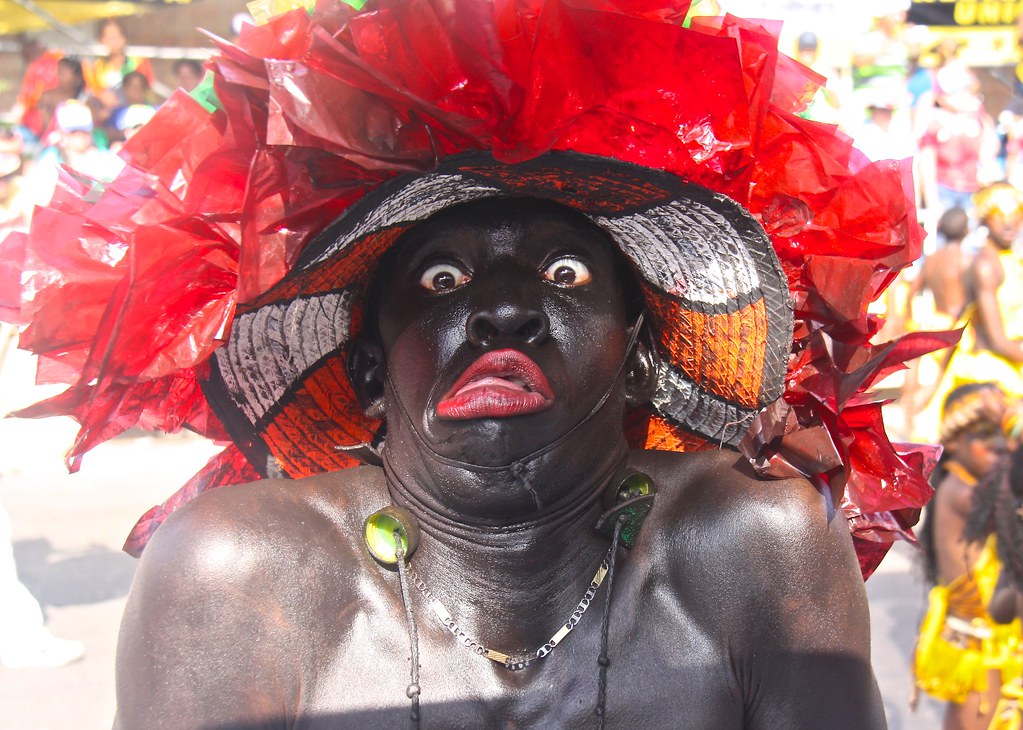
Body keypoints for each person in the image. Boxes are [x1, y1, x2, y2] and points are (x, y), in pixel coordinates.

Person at [0, 1, 932, 727]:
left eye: (564, 275)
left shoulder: (754, 546)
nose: (504, 309)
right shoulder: (238, 573)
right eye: (442, 280)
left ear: (638, 355)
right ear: (369, 373)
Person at [913, 382, 1022, 729]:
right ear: (955, 443)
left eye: (1000, 433)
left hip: (996, 638)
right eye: (983, 432)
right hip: (978, 647)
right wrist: (1014, 423)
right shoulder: (960, 491)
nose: (998, 444)